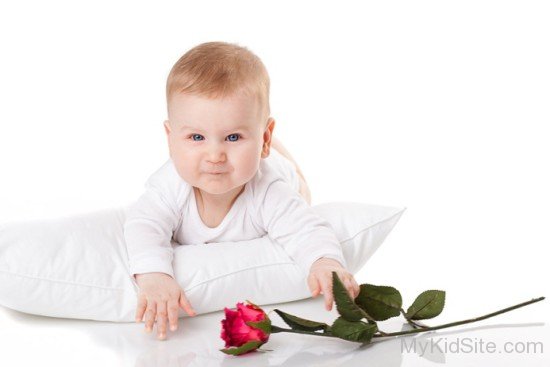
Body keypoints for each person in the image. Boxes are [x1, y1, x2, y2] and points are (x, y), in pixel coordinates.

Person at [124, 41, 360, 340]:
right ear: (170, 139)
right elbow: (142, 226)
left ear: (262, 137)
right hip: (255, 154)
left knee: (299, 188)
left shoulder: (268, 190)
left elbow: (306, 229)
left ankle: (275, 150)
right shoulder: (168, 187)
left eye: (232, 137)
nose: (215, 155)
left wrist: (325, 262)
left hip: (277, 171)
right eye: (196, 137)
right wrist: (154, 276)